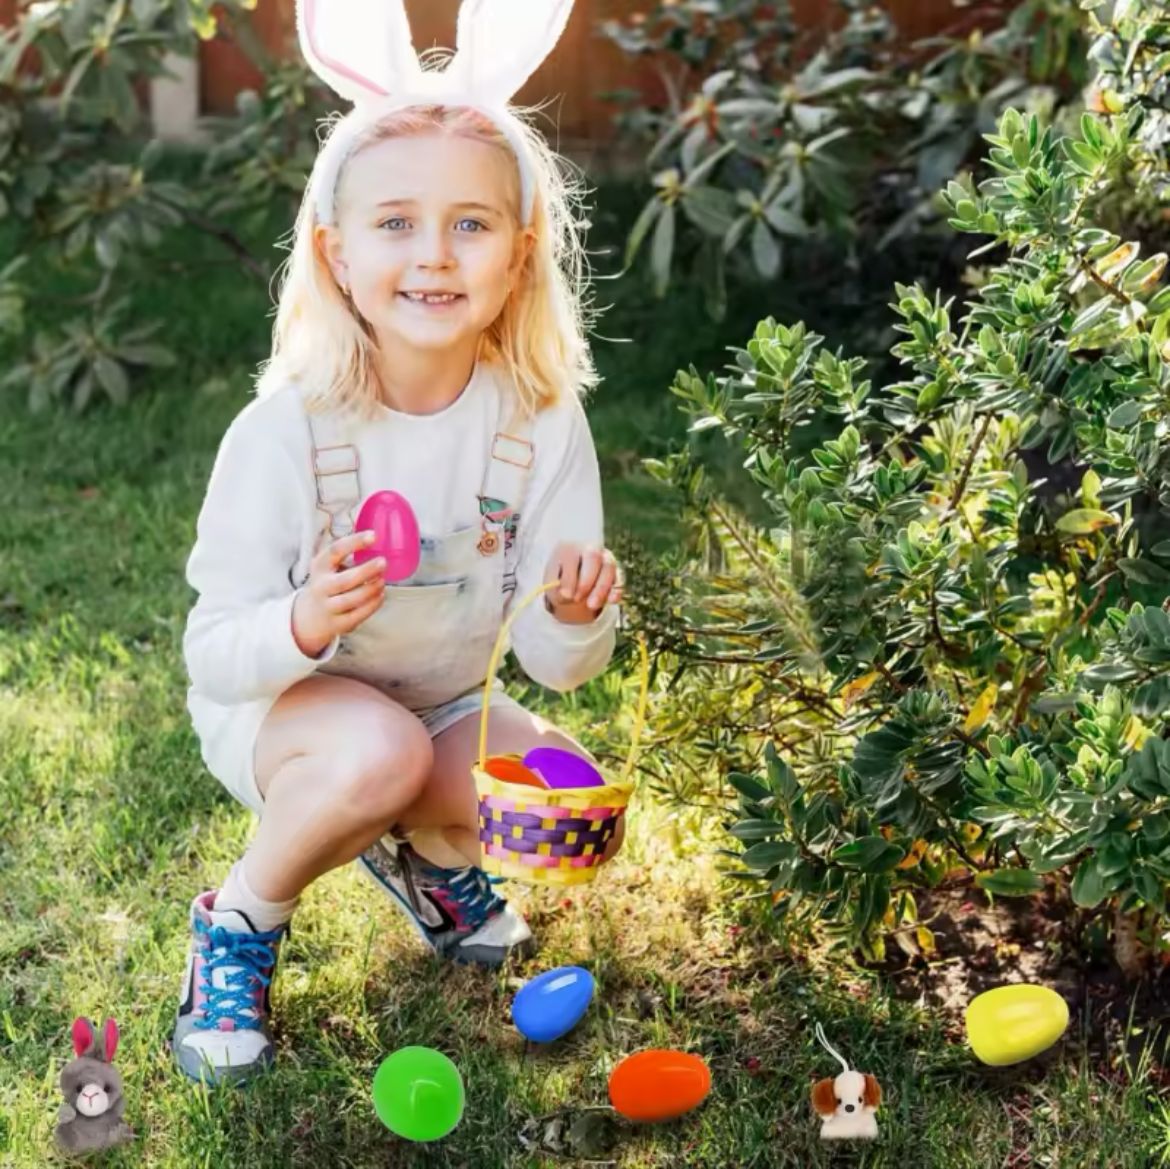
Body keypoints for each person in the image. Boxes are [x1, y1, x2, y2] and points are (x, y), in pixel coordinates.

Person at [172, 0, 624, 1085]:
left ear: (519, 257)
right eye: (395, 224)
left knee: (559, 793)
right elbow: (213, 650)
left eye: (471, 224)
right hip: (290, 715)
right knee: (382, 754)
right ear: (334, 252)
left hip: (441, 701)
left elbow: (560, 662)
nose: (434, 255)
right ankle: (237, 923)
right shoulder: (287, 430)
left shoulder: (541, 420)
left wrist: (575, 616)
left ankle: (431, 860)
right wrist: (303, 620)